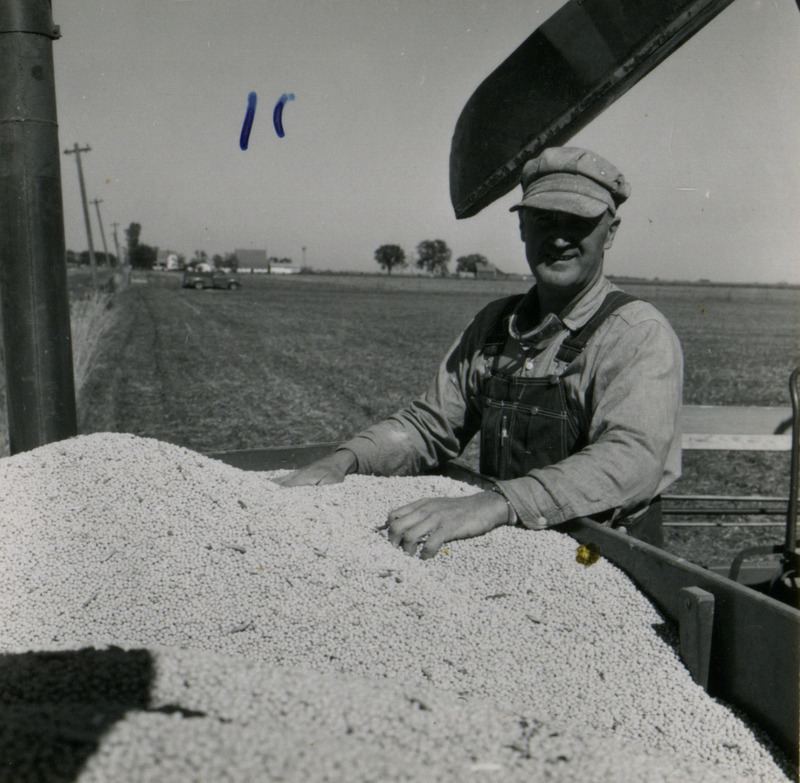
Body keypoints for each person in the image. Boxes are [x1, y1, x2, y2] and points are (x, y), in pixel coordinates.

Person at [276, 147, 683, 559]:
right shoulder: (493, 325)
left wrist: (496, 503)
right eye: (544, 219)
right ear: (523, 226)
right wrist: (346, 460)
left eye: (577, 222)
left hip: (607, 556)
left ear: (610, 232)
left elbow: (630, 460)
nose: (559, 238)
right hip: (513, 544)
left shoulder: (637, 334)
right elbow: (430, 426)